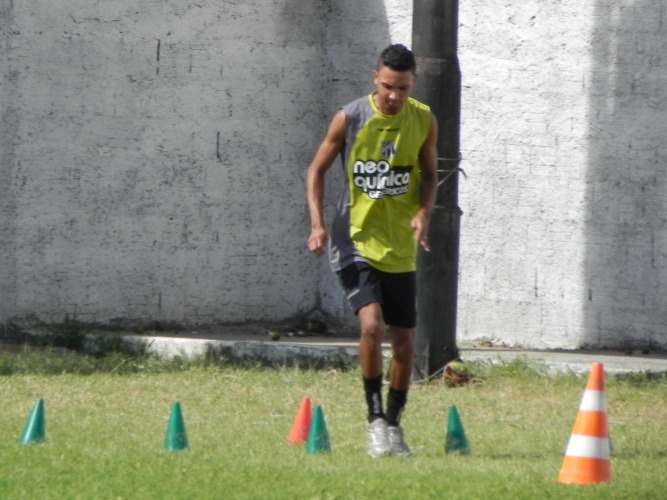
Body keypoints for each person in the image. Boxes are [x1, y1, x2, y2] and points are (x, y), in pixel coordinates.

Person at [306, 44, 438, 457]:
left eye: (402, 87)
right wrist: (318, 224)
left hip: (398, 247)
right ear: (374, 78)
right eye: (387, 87)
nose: (394, 96)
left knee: (404, 345)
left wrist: (423, 213)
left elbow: (432, 175)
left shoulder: (424, 120)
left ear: (413, 83)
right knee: (371, 326)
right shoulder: (350, 117)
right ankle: (374, 418)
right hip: (354, 242)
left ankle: (394, 425)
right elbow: (316, 170)